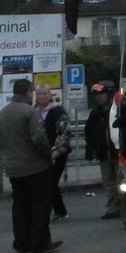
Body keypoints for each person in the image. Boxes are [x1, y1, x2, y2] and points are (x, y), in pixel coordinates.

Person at [0, 78, 62, 253]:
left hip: (13, 166)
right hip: (34, 166)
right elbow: (38, 138)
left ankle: (21, 241)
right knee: (41, 204)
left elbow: (1, 139)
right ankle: (40, 242)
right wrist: (48, 155)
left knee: (20, 205)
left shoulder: (3, 112)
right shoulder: (30, 112)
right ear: (28, 92)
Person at [85, 81, 122, 219]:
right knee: (109, 182)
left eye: (101, 94)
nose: (98, 97)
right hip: (103, 153)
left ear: (110, 94)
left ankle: (124, 206)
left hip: (117, 152)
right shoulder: (96, 113)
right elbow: (89, 132)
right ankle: (113, 206)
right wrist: (90, 150)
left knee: (121, 180)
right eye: (96, 94)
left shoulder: (118, 110)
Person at [35, 86, 72, 221]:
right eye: (39, 94)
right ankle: (59, 211)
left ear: (50, 95)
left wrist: (57, 150)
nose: (43, 96)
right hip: (41, 153)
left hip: (58, 153)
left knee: (50, 181)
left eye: (45, 93)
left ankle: (55, 211)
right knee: (48, 183)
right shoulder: (34, 111)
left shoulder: (57, 110)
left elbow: (64, 131)